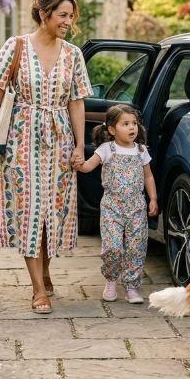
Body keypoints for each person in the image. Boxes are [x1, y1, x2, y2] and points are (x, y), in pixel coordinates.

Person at [0, 0, 92, 315]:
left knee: (52, 210)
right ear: (44, 15)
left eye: (71, 16)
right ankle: (38, 288)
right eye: (62, 15)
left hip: (59, 141)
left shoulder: (73, 54)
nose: (67, 22)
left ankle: (45, 268)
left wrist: (80, 144)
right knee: (29, 210)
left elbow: (76, 102)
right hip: (22, 138)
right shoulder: (15, 47)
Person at [74, 104, 158, 303]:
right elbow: (88, 167)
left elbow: (148, 177)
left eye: (134, 124)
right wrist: (79, 164)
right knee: (113, 247)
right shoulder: (106, 149)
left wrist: (153, 198)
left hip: (137, 206)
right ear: (112, 129)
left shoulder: (140, 150)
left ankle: (131, 287)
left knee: (136, 248)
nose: (132, 128)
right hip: (112, 207)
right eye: (125, 124)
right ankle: (111, 280)